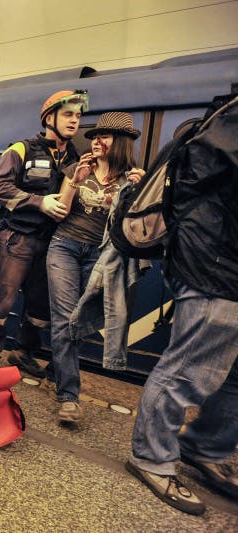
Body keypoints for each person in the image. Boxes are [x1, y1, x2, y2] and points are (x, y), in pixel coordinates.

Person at [126, 91, 238, 515]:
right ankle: (152, 457)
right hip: (216, 264)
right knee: (188, 368)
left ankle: (206, 446)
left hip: (223, 262)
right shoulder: (229, 124)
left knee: (232, 376)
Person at [45, 112, 144, 424]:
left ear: (122, 143)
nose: (98, 141)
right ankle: (68, 396)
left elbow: (137, 227)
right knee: (63, 319)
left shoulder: (134, 178)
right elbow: (59, 213)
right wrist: (75, 180)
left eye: (106, 136)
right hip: (64, 246)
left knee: (79, 319)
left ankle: (59, 369)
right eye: (96, 136)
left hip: (100, 257)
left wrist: (139, 194)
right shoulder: (78, 168)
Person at [0, 89, 88, 374]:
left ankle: (22, 352)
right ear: (48, 118)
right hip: (17, 238)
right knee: (1, 299)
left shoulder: (75, 157)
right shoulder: (21, 150)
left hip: (52, 242)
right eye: (68, 114)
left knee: (40, 306)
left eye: (78, 116)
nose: (74, 121)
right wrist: (39, 203)